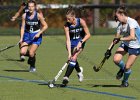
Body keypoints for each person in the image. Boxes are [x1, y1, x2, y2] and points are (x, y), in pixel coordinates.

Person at [105, 6, 140, 87]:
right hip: (126, 44)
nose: (116, 19)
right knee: (116, 59)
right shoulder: (120, 25)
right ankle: (122, 68)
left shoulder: (132, 22)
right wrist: (108, 50)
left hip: (136, 46)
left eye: (117, 16)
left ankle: (125, 82)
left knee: (128, 67)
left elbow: (132, 37)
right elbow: (115, 39)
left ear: (122, 14)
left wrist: (120, 39)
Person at [61, 7, 91, 87]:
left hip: (80, 42)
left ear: (73, 17)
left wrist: (81, 42)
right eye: (66, 19)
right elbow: (67, 40)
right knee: (72, 58)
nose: (67, 20)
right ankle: (79, 71)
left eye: (69, 19)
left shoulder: (81, 21)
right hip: (71, 44)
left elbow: (88, 34)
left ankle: (66, 77)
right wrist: (69, 53)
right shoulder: (66, 25)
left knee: (74, 58)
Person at [20, 0, 48, 72]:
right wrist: (21, 38)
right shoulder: (24, 15)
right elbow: (23, 27)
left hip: (36, 36)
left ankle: (32, 66)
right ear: (27, 7)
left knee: (31, 52)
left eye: (32, 6)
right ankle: (32, 56)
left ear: (35, 7)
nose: (30, 8)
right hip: (27, 35)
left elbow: (45, 26)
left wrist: (39, 33)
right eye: (29, 6)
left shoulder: (38, 15)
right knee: (22, 52)